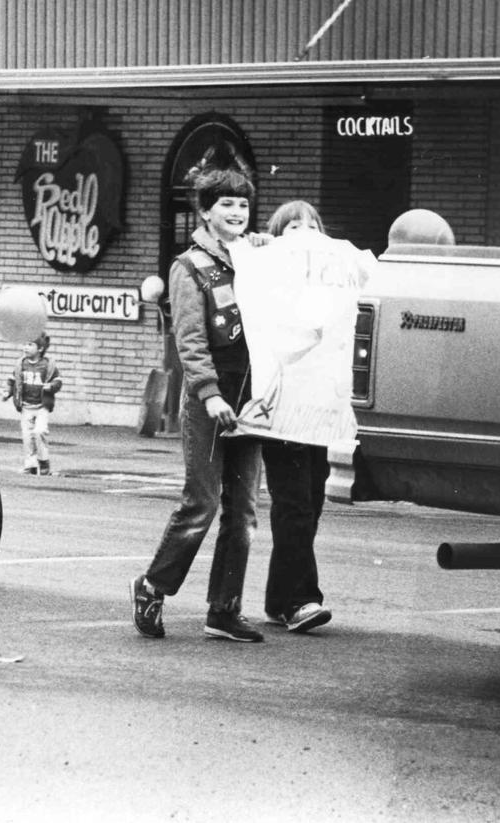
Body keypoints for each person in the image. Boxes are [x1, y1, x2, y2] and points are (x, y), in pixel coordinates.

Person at [129, 159, 265, 642]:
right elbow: (189, 340)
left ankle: (224, 609)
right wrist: (208, 394)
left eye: (244, 204)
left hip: (252, 400)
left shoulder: (258, 260)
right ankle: (151, 586)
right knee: (201, 503)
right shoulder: (189, 266)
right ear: (206, 212)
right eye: (226, 203)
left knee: (244, 510)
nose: (237, 211)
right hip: (211, 399)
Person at [260, 200, 333, 633]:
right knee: (295, 507)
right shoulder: (268, 277)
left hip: (317, 409)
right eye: (293, 225)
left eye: (311, 224)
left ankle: (278, 596)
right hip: (283, 406)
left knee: (311, 503)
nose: (304, 229)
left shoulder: (327, 282)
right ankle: (301, 600)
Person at [5, 332, 62, 476]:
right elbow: (13, 380)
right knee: (27, 436)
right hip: (26, 406)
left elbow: (58, 380)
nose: (26, 347)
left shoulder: (47, 365)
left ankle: (43, 462)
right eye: (25, 344)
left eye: (30, 344)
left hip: (41, 406)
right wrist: (7, 392)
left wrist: (52, 386)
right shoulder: (21, 364)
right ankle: (30, 465)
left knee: (40, 431)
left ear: (40, 349)